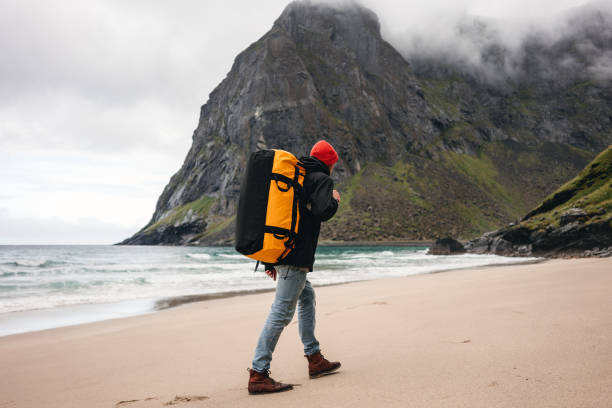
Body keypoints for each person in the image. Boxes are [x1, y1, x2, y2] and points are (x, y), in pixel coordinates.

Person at [247, 140, 342, 394]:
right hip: (297, 257)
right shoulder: (321, 178)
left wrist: (270, 258)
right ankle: (258, 373)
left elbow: (279, 216)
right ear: (330, 163)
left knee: (307, 297)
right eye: (333, 164)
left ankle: (315, 358)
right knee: (281, 313)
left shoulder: (297, 176)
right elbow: (323, 211)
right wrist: (335, 200)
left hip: (283, 251)